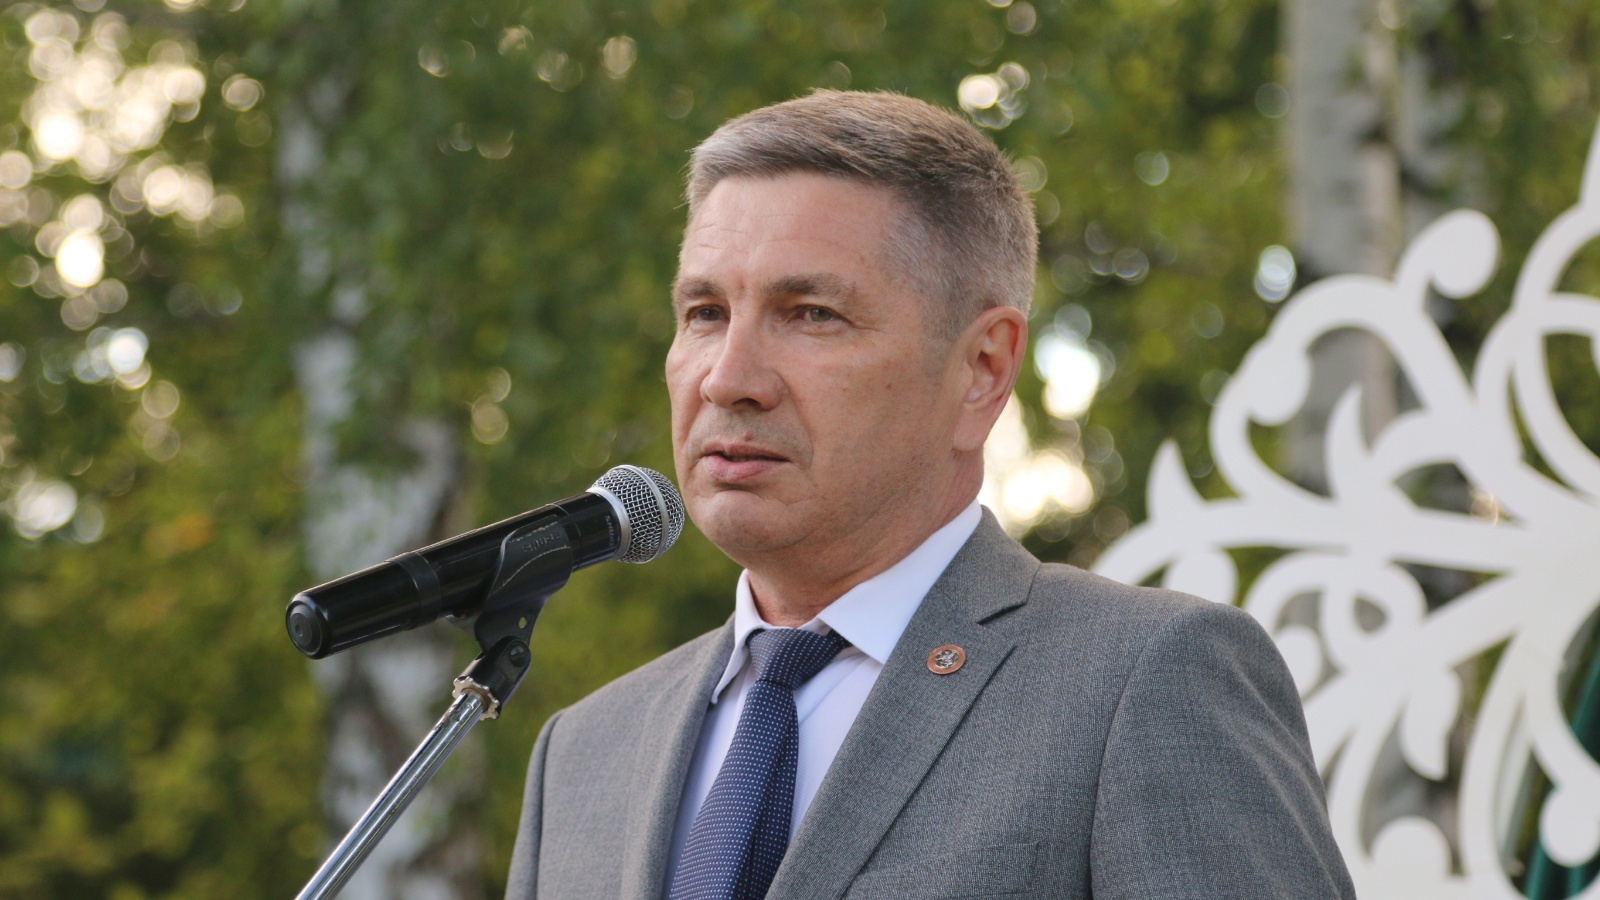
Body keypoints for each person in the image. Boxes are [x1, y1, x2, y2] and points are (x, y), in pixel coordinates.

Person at [505, 90, 1355, 900]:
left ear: (982, 369)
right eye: (704, 313)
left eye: (811, 313)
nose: (728, 379)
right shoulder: (584, 754)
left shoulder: (1142, 680)